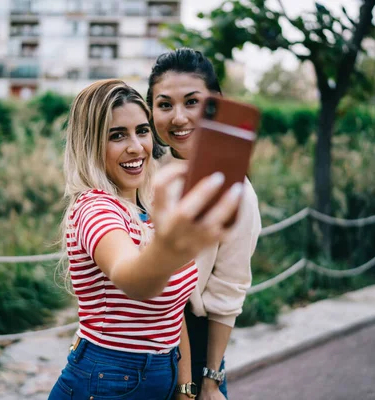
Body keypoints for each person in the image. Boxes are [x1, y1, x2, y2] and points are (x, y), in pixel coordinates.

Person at [48, 79, 244, 400]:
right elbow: (134, 280)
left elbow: (172, 311)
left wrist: (183, 387)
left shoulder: (146, 207)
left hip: (157, 376)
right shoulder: (95, 208)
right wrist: (170, 246)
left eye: (142, 130)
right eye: (116, 135)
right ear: (89, 144)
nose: (137, 147)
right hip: (107, 380)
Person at [147, 49, 262, 400]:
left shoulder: (234, 192)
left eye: (192, 102)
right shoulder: (142, 168)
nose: (178, 117)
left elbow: (228, 290)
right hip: (133, 346)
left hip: (194, 348)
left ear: (215, 105)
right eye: (164, 105)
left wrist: (209, 382)